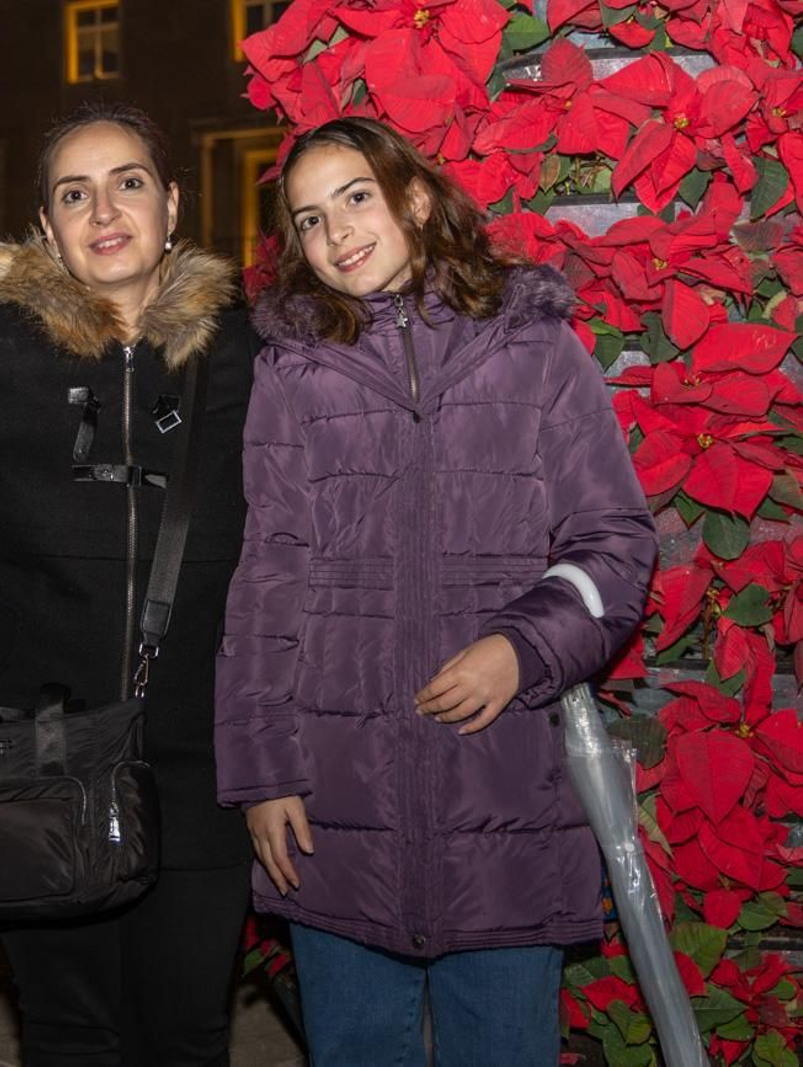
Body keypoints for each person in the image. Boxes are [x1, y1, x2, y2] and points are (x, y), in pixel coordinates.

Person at [214, 116, 658, 1066]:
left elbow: (614, 541)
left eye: (355, 198)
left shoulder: (536, 349)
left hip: (503, 793)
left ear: (415, 198)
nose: (335, 234)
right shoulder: (292, 374)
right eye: (309, 219)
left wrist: (523, 644)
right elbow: (269, 575)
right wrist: (263, 773)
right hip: (337, 811)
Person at [0, 102, 256, 1065]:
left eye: (128, 181)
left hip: (204, 757)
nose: (105, 209)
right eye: (75, 192)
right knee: (70, 1032)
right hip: (35, 747)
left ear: (171, 203)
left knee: (186, 1033)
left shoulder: (247, 350)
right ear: (49, 227)